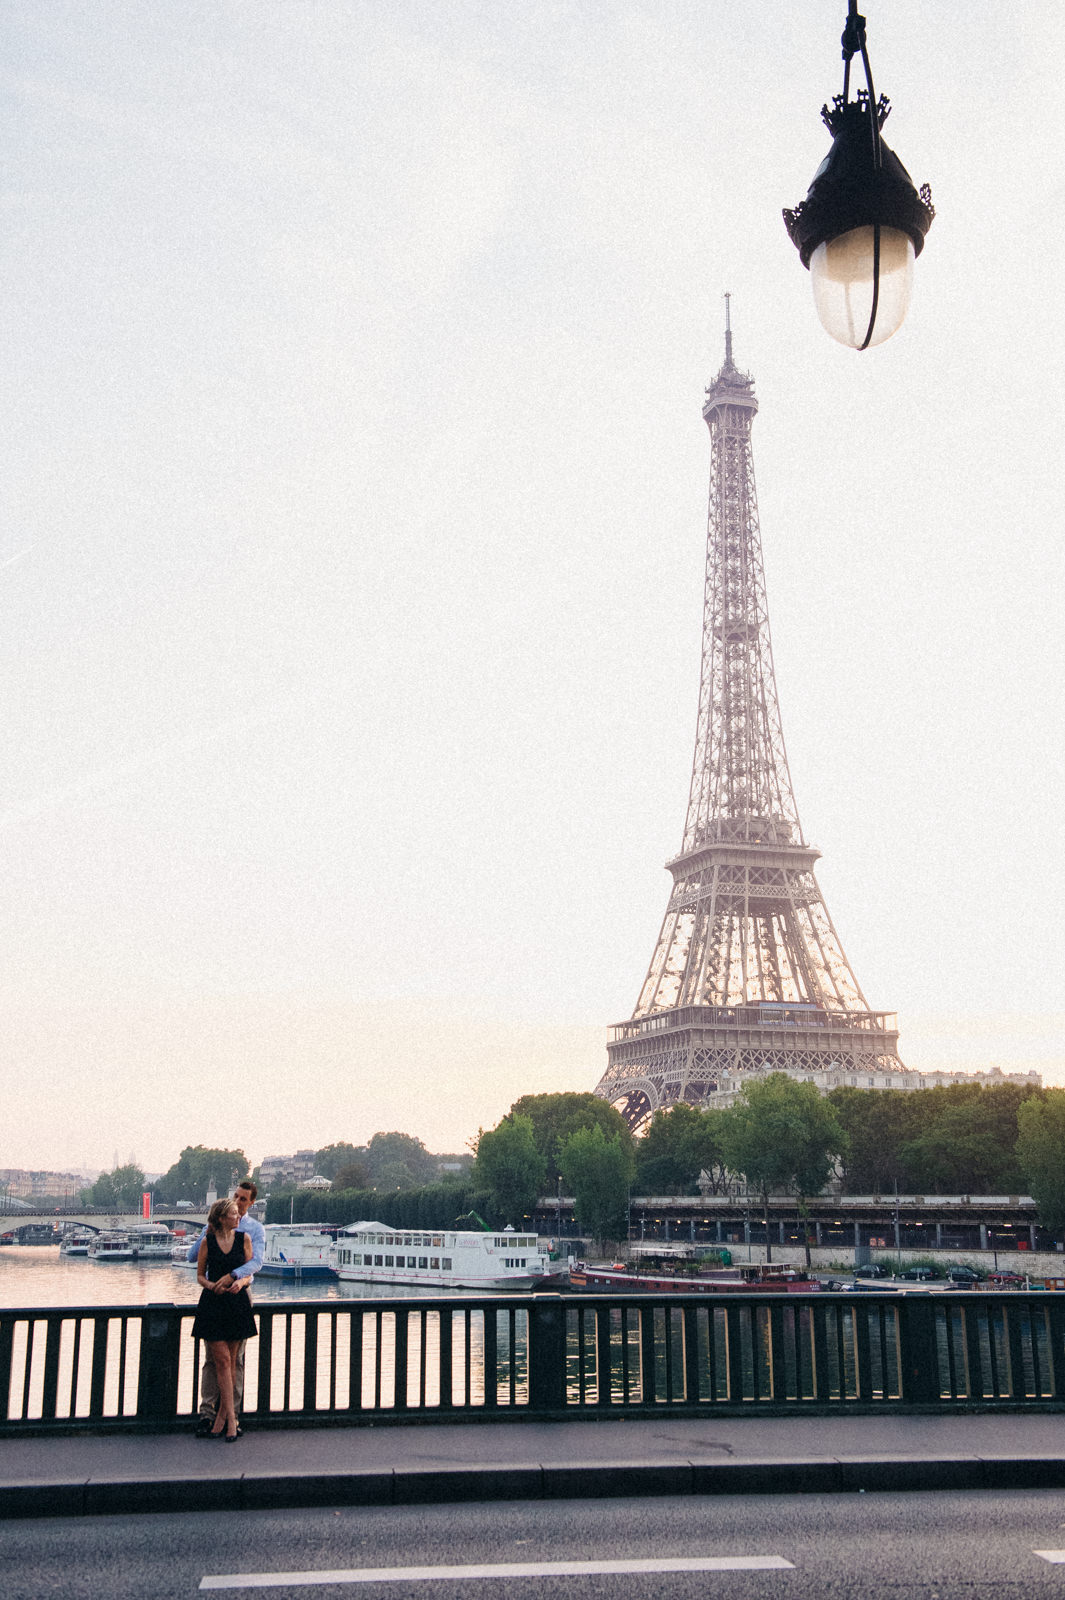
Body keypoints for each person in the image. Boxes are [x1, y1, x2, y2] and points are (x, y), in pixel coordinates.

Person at [186, 1179, 265, 1435]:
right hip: (215, 1296)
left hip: (239, 1291)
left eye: (243, 1199)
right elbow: (192, 1257)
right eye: (236, 1197)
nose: (239, 1203)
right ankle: (208, 1413)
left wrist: (234, 1276)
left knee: (235, 1360)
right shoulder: (214, 1227)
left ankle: (232, 1415)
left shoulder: (254, 1230)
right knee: (213, 1360)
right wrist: (207, 1231)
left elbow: (256, 1264)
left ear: (251, 1203)